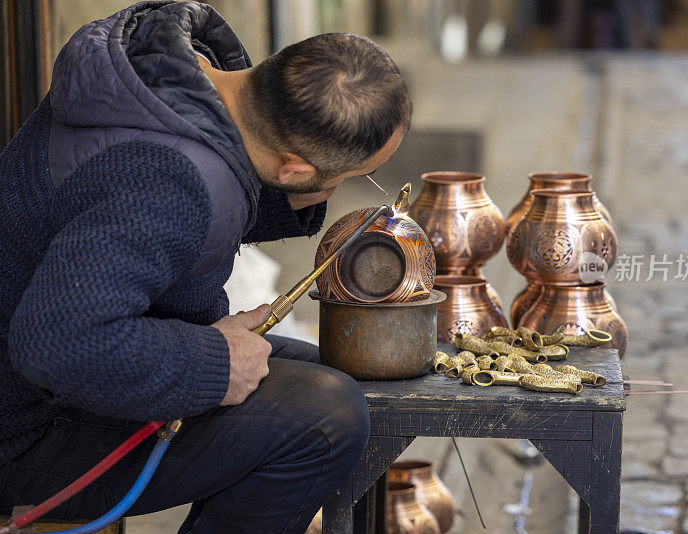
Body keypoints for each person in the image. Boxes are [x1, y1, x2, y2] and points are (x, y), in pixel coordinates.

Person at [0, 1, 411, 532]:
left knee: (331, 374)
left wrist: (212, 351)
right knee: (327, 418)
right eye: (351, 177)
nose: (341, 188)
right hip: (22, 426)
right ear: (294, 169)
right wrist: (215, 364)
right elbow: (58, 343)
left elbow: (174, 204)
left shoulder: (175, 71)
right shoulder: (166, 185)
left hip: (43, 356)